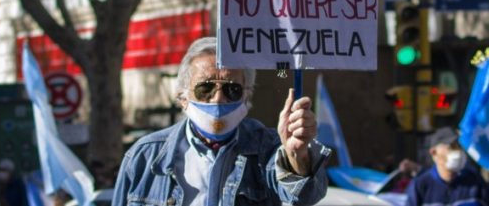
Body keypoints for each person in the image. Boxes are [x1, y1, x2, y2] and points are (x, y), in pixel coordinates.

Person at [111, 37, 331, 206]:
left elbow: (304, 196)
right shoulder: (144, 156)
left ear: (247, 95)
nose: (218, 99)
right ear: (183, 97)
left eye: (232, 89)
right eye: (205, 88)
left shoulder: (270, 149)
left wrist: (296, 155)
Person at [404, 126, 489, 206]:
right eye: (451, 147)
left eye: (459, 146)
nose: (458, 152)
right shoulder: (420, 186)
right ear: (434, 153)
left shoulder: (474, 181)